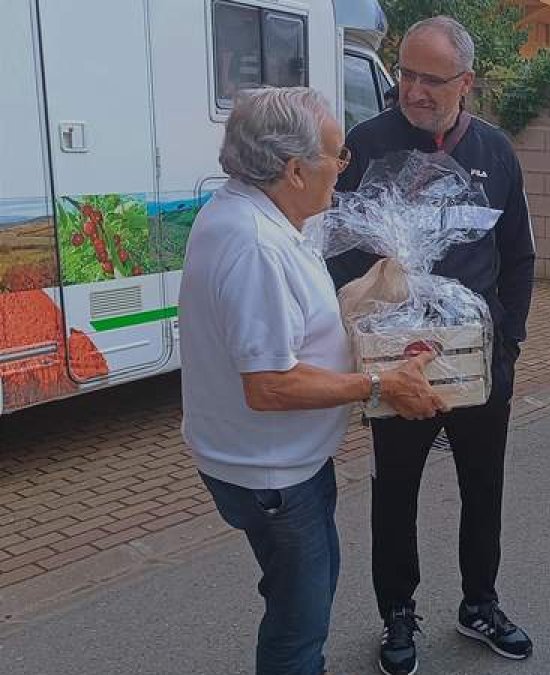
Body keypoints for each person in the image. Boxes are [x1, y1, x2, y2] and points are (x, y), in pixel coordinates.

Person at [179, 87, 445, 675]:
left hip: (278, 463)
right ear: (295, 169)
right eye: (337, 155)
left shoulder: (255, 214)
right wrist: (381, 384)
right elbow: (268, 385)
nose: (342, 167)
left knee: (303, 593)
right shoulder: (254, 246)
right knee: (300, 624)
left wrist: (373, 296)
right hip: (274, 475)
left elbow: (292, 331)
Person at [324, 16, 536, 675]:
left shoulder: (497, 152)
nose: (413, 90)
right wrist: (367, 335)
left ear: (466, 83)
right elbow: (336, 253)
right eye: (405, 75)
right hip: (396, 364)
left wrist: (510, 343)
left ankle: (480, 603)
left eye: (430, 79)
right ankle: (397, 611)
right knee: (395, 492)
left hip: (476, 363)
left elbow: (519, 257)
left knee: (484, 486)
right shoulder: (365, 142)